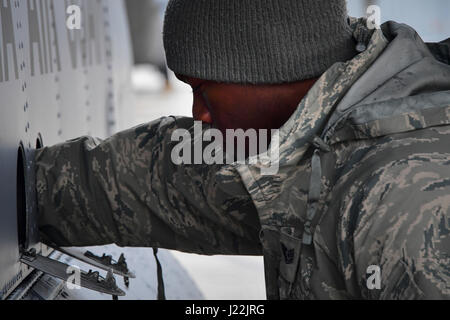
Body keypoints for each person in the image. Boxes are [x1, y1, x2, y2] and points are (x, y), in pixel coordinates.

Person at [35, 0, 450, 299]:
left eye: (202, 88)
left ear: (265, 71)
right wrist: (31, 184)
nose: (198, 115)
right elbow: (159, 180)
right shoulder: (305, 140)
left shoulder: (399, 202)